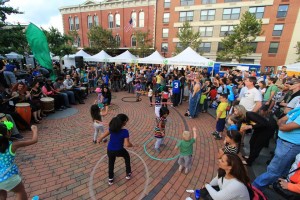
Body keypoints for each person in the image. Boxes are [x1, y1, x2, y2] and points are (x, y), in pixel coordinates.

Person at [253, 107, 300, 190]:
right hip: (283, 142)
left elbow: (283, 127)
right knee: (282, 168)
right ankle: (275, 184)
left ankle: (254, 187)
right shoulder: (298, 109)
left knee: (274, 169)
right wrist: (283, 124)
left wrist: (283, 125)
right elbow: (280, 121)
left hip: (290, 145)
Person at [0, 122, 38, 200]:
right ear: (8, 133)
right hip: (8, 176)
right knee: (20, 192)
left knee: (2, 196)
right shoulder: (13, 145)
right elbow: (34, 140)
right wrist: (34, 130)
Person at [97, 114, 133, 186]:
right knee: (127, 157)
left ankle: (110, 179)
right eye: (126, 121)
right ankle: (128, 173)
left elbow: (102, 136)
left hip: (110, 150)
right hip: (119, 150)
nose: (126, 122)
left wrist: (99, 139)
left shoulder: (111, 129)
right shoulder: (125, 131)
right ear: (123, 122)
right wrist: (132, 145)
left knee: (111, 163)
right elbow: (127, 144)